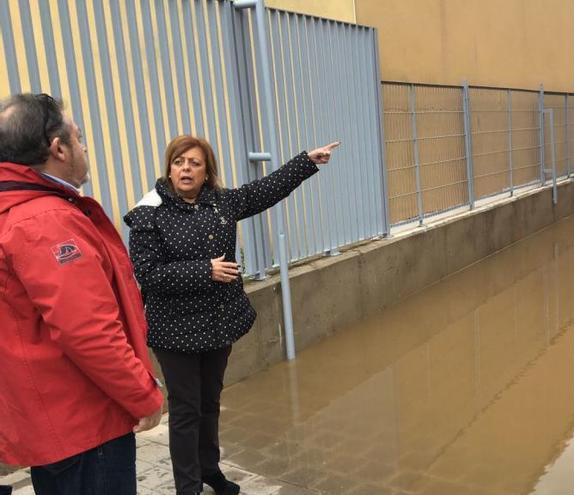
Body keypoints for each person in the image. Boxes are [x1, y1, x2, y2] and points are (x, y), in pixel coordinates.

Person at [124, 135, 337, 494]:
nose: (186, 169)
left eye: (194, 162)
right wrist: (204, 270)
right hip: (175, 330)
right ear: (170, 168)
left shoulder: (221, 202)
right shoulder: (150, 213)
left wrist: (307, 162)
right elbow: (148, 274)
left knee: (210, 404)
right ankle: (188, 486)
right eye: (179, 162)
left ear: (207, 171)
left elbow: (267, 189)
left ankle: (210, 470)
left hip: (217, 323)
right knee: (186, 411)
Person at [0, 93, 164, 495]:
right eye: (78, 136)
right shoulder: (45, 221)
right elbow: (88, 331)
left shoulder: (16, 208)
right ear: (57, 148)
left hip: (53, 421)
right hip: (85, 424)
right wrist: (144, 395)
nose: (84, 146)